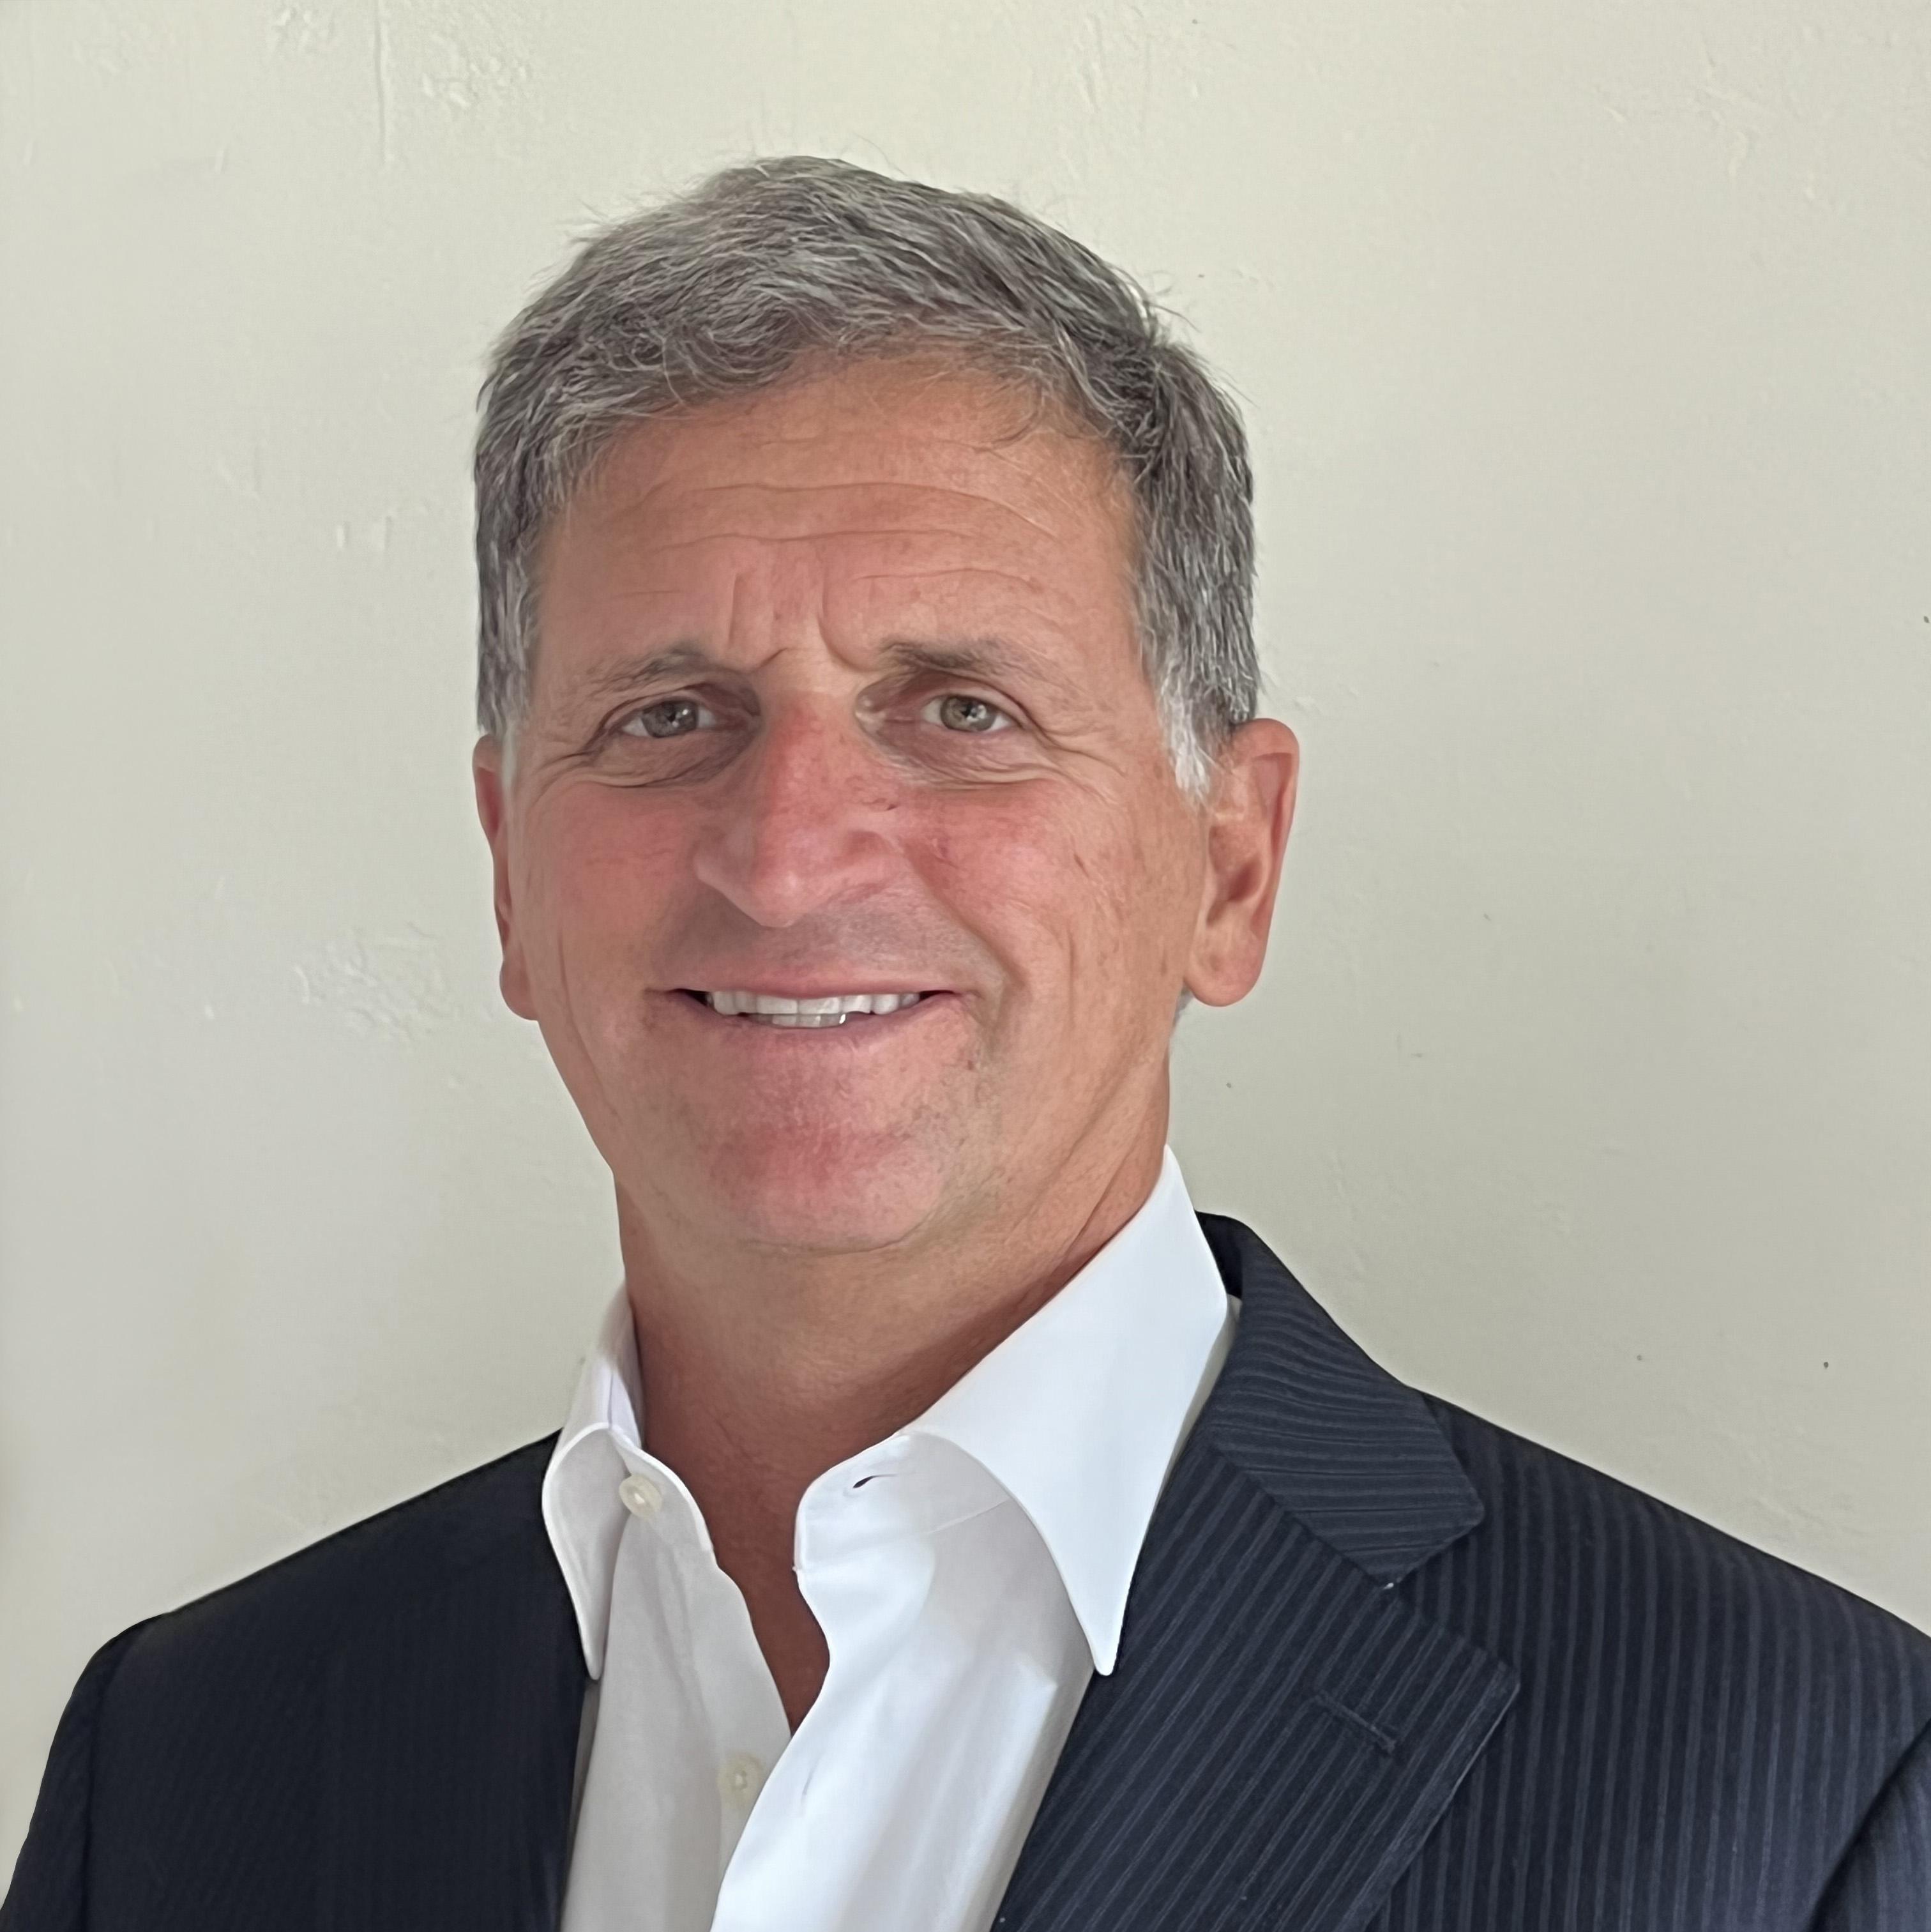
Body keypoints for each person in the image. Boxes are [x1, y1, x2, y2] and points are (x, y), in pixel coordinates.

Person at [6, 155, 1928, 1932]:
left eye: (961, 708)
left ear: (1229, 867)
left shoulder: (1802, 1791)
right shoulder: (181, 1764)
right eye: (673, 714)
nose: (786, 856)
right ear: (513, 872)